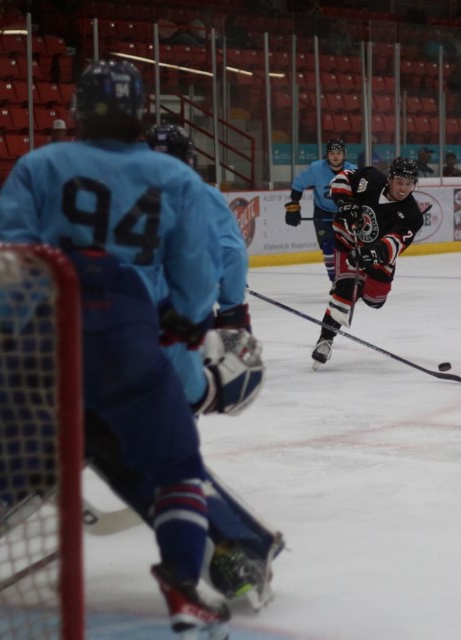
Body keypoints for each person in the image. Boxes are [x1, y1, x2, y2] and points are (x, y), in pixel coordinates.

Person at [0, 60, 266, 640]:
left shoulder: (38, 165)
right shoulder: (178, 181)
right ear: (140, 115)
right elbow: (191, 290)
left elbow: (7, 280)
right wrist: (196, 374)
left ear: (80, 112)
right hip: (129, 347)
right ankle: (195, 583)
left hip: (41, 352)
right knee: (174, 468)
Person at [144, 123, 283, 606]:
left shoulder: (119, 188)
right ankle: (230, 549)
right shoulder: (197, 191)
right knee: (164, 430)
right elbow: (229, 253)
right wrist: (232, 309)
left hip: (75, 339)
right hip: (166, 328)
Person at [310, 157, 424, 368]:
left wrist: (373, 252)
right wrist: (345, 203)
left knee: (375, 301)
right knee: (345, 290)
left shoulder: (412, 215)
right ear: (390, 178)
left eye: (409, 184)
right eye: (399, 182)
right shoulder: (370, 178)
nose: (403, 188)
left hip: (379, 258)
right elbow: (342, 179)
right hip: (348, 243)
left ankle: (360, 288)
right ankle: (325, 340)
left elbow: (396, 243)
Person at [285, 139, 357, 283]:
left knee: (348, 249)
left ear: (344, 155)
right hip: (322, 213)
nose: (335, 156)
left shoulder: (353, 171)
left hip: (345, 213)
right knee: (328, 246)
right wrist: (293, 207)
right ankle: (335, 282)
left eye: (339, 153)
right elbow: (298, 185)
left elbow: (361, 193)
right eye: (332, 153)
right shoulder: (316, 168)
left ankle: (351, 278)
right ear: (327, 155)